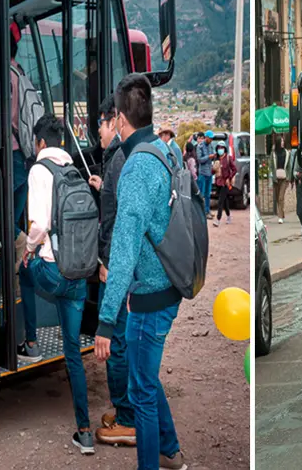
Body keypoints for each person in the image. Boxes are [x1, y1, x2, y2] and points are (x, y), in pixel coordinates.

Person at [96, 74, 186, 470]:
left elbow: (124, 251)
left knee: (141, 391)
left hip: (150, 294)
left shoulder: (134, 170)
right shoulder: (164, 151)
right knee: (144, 376)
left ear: (118, 120)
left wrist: (104, 321)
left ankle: (154, 463)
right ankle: (170, 450)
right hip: (167, 284)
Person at [17, 115, 94, 455]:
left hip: (52, 273)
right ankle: (85, 432)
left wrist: (29, 253)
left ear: (40, 144)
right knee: (73, 352)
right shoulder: (74, 169)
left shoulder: (39, 170)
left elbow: (38, 225)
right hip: (79, 276)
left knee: (22, 272)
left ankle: (30, 340)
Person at [86, 95, 136, 447]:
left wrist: (106, 265)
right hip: (121, 264)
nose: (98, 134)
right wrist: (102, 187)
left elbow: (116, 222)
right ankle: (124, 410)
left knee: (115, 344)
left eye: (100, 126)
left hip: (114, 266)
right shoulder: (120, 158)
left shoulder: (118, 158)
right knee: (120, 341)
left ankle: (128, 419)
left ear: (114, 121)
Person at [10, 22, 29, 238]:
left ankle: (24, 253)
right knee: (14, 218)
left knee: (6, 223)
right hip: (23, 153)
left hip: (13, 153)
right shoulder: (20, 71)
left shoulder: (6, 75)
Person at [213, 141, 236, 227]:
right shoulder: (216, 158)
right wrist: (214, 168)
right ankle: (229, 216)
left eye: (222, 148)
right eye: (218, 148)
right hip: (218, 183)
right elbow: (213, 171)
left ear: (225, 149)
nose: (220, 149)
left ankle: (218, 219)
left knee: (220, 202)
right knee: (224, 201)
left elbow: (234, 169)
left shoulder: (228, 158)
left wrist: (229, 178)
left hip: (225, 183)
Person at [270, 138, 290, 224]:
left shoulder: (287, 153)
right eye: (281, 141)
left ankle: (280, 217)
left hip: (284, 178)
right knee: (278, 198)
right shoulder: (273, 154)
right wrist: (272, 177)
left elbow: (289, 166)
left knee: (281, 197)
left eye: (283, 141)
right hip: (276, 178)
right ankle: (282, 213)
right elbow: (271, 166)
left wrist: (289, 177)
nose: (282, 142)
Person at [196, 130, 214, 216]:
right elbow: (199, 160)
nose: (211, 140)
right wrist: (208, 157)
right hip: (202, 173)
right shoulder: (200, 146)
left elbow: (212, 157)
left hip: (209, 173)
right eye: (210, 138)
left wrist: (214, 157)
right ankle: (201, 212)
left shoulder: (211, 146)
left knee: (208, 193)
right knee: (201, 193)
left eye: (212, 139)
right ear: (206, 137)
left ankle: (207, 210)